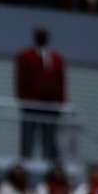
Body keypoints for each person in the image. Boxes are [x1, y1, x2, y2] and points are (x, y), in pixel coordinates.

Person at [15, 27, 65, 162]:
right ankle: (25, 162)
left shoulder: (55, 58)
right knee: (28, 137)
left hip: (50, 106)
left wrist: (59, 103)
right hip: (31, 104)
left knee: (49, 138)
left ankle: (49, 164)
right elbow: (21, 80)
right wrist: (25, 101)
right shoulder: (25, 56)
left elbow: (60, 82)